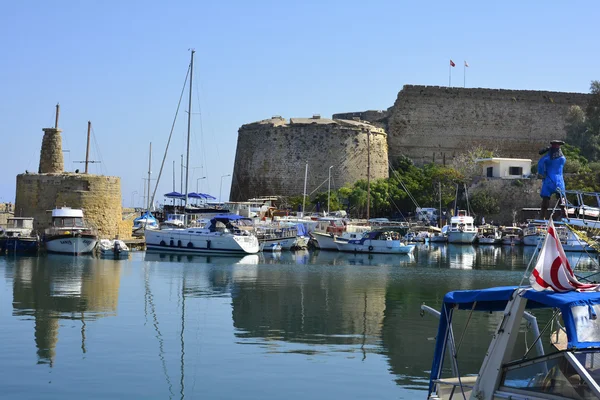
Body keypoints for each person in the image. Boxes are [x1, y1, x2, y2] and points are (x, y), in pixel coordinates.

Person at [537, 140, 567, 220]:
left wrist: (542, 174)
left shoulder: (547, 158)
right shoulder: (563, 158)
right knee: (561, 198)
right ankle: (565, 214)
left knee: (545, 199)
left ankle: (542, 216)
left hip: (549, 180)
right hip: (560, 181)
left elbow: (540, 164)